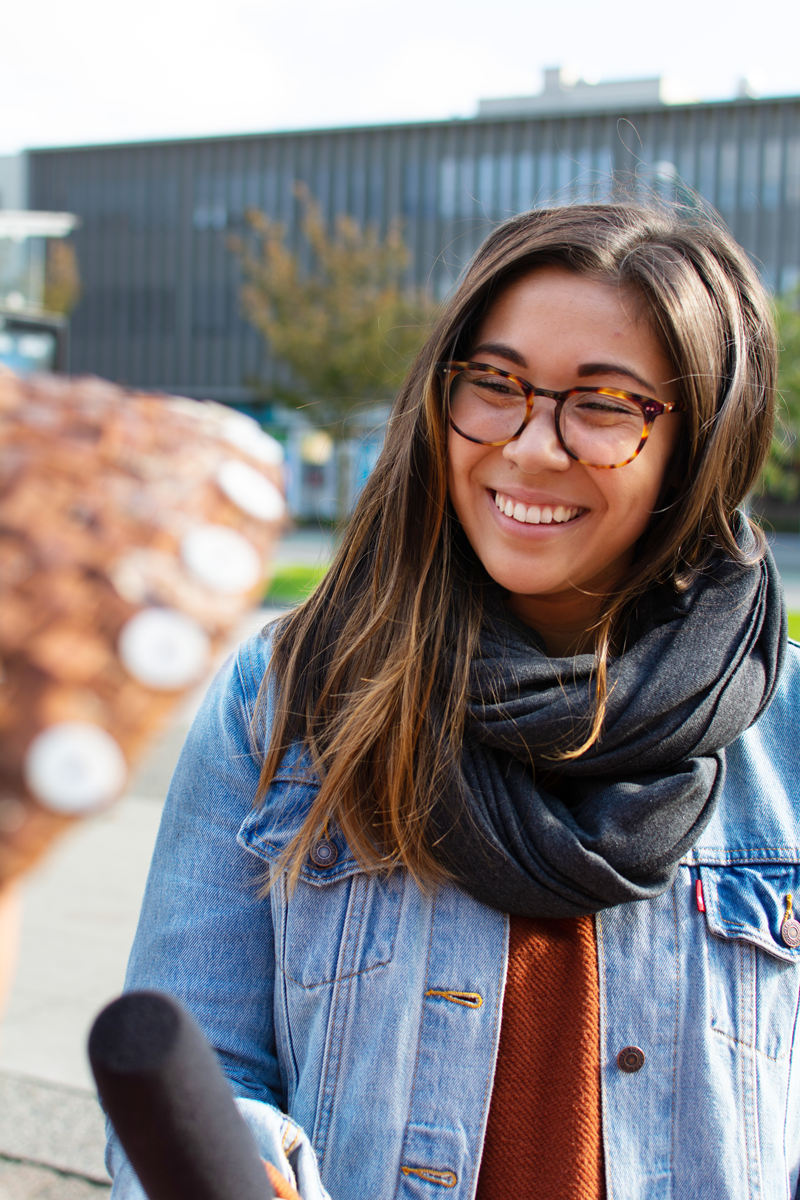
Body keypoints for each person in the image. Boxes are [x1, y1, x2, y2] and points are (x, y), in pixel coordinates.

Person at [108, 201, 800, 1200]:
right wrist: (226, 1166)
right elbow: (191, 1067)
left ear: (698, 446)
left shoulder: (787, 731)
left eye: (601, 404)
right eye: (494, 384)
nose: (527, 444)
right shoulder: (284, 704)